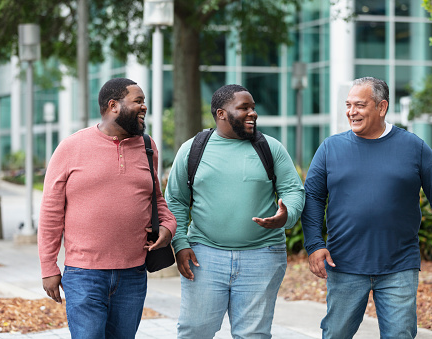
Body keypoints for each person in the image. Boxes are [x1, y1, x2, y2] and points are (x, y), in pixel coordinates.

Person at [301, 77, 432, 339]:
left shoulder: (413, 147)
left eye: (360, 105)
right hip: (344, 263)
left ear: (382, 107)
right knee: (335, 333)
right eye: (348, 105)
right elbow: (312, 197)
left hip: (399, 265)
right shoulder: (330, 148)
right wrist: (314, 244)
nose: (351, 111)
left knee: (400, 335)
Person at [38, 77, 177, 339]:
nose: (144, 107)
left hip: (133, 274)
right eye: (138, 101)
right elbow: (50, 212)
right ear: (113, 106)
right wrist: (49, 268)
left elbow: (157, 199)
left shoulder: (148, 147)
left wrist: (168, 228)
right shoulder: (71, 147)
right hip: (84, 274)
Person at [165, 84, 305, 338]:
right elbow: (175, 200)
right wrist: (180, 243)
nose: (253, 113)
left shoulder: (270, 148)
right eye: (244, 108)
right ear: (221, 113)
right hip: (204, 255)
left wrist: (286, 216)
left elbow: (294, 191)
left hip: (263, 256)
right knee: (195, 330)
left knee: (253, 334)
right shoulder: (192, 149)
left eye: (253, 107)